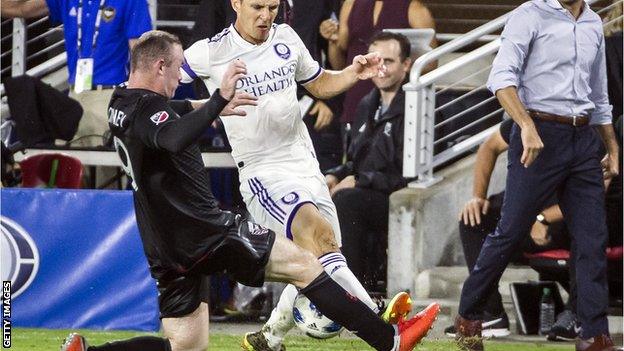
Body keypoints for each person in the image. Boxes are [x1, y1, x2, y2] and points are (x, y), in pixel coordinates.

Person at [60, 30, 440, 351]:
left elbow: (173, 107)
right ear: (160, 67)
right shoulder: (151, 113)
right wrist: (218, 101)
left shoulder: (121, 103)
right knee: (305, 265)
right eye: (176, 69)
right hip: (205, 231)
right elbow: (172, 136)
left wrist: (210, 105)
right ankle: (388, 338)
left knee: (187, 346)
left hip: (163, 243)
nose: (180, 75)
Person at [181, 1, 438, 350]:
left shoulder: (285, 36)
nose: (266, 15)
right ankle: (383, 327)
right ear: (236, 3)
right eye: (257, 6)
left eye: (273, 6)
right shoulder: (210, 52)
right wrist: (187, 109)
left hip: (304, 163)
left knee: (319, 256)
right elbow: (160, 78)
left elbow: (317, 83)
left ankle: (269, 336)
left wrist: (352, 73)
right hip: (263, 172)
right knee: (318, 239)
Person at [453, 1, 619, 350]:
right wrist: (525, 125)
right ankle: (469, 317)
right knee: (510, 230)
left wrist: (612, 146)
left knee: (592, 237)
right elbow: (500, 78)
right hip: (538, 133)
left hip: (583, 138)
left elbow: (599, 95)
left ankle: (593, 334)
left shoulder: (592, 22)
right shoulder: (529, 15)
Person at [325, 31, 411, 292]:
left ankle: (352, 292)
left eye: (390, 61)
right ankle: (316, 290)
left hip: (395, 199)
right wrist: (334, 176)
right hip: (364, 191)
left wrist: (360, 180)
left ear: (406, 65)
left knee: (347, 201)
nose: (381, 68)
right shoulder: (366, 104)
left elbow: (407, 176)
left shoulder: (415, 107)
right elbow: (355, 161)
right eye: (377, 61)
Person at [0, 0, 152, 148]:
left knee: (103, 171)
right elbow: (16, 8)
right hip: (73, 98)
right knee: (70, 168)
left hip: (108, 98)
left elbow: (141, 56)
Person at [319, 0, 436, 138]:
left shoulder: (414, 8)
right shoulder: (350, 4)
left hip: (397, 111)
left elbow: (430, 64)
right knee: (355, 158)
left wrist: (395, 67)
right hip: (355, 106)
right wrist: (332, 41)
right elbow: (340, 66)